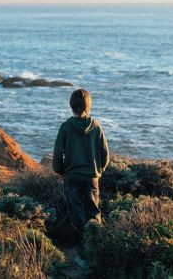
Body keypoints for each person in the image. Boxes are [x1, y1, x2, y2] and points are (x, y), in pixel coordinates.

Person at [53, 89, 110, 239]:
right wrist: (99, 170)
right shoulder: (96, 126)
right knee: (94, 213)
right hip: (92, 177)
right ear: (89, 106)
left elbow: (58, 154)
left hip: (72, 177)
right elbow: (105, 154)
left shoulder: (65, 127)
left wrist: (60, 170)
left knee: (76, 214)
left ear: (71, 106)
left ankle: (80, 247)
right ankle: (95, 246)